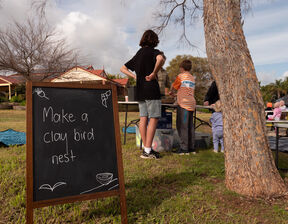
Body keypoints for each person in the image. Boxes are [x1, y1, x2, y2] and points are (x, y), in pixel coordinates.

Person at [120, 30, 165, 159]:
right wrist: (153, 73)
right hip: (151, 89)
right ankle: (147, 150)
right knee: (153, 118)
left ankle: (147, 149)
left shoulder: (138, 54)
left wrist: (134, 76)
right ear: (154, 40)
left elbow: (122, 68)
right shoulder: (154, 52)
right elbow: (160, 59)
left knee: (143, 118)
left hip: (140, 90)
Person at [169, 59, 196, 154]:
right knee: (190, 126)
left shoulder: (181, 76)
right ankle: (191, 147)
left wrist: (171, 92)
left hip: (184, 105)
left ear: (181, 68)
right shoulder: (192, 78)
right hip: (191, 103)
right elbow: (186, 91)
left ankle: (184, 148)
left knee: (182, 126)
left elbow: (174, 87)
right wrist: (177, 95)